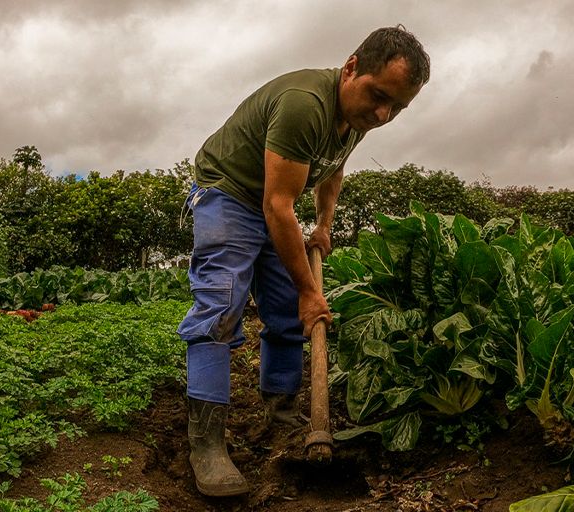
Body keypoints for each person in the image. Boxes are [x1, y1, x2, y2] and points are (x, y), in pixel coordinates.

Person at [177, 25, 430, 496]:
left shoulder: (357, 117)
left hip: (276, 199)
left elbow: (332, 169)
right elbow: (278, 205)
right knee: (221, 305)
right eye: (378, 96)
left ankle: (281, 414)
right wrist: (313, 293)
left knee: (288, 312)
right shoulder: (304, 103)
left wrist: (325, 224)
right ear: (351, 67)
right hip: (230, 191)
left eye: (396, 107)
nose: (383, 113)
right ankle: (207, 445)